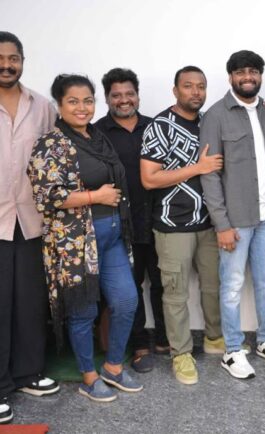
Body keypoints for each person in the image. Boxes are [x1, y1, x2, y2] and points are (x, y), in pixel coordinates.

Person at [28, 74, 142, 402]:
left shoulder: (97, 136)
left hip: (112, 235)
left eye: (88, 100)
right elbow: (46, 196)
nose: (82, 107)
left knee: (126, 301)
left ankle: (113, 367)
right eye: (73, 101)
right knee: (83, 311)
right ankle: (88, 376)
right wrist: (95, 197)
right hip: (76, 243)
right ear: (59, 105)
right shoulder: (51, 143)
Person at [200, 50, 265, 380]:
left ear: (260, 75)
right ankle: (233, 350)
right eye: (240, 72)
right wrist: (221, 224)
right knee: (233, 286)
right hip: (235, 220)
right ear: (231, 77)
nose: (247, 77)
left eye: (253, 71)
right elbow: (209, 174)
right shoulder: (215, 116)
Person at [140, 66, 223, 385]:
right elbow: (149, 179)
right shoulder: (160, 126)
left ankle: (215, 338)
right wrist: (197, 168)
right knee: (175, 293)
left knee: (213, 285)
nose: (196, 92)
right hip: (172, 224)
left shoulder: (209, 122)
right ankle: (181, 353)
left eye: (201, 86)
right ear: (175, 90)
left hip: (209, 223)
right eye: (188, 86)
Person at [0, 31, 59, 424]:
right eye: (0, 58)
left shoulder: (42, 107)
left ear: (22, 61)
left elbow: (54, 157)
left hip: (32, 219)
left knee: (29, 302)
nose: (7, 65)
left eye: (13, 58)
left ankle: (27, 373)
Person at [95, 68, 169, 374]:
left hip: (160, 219)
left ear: (137, 95)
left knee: (163, 284)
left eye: (129, 94)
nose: (124, 100)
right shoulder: (97, 133)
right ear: (107, 98)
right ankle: (139, 345)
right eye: (116, 95)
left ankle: (165, 339)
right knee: (131, 287)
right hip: (121, 224)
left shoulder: (156, 126)